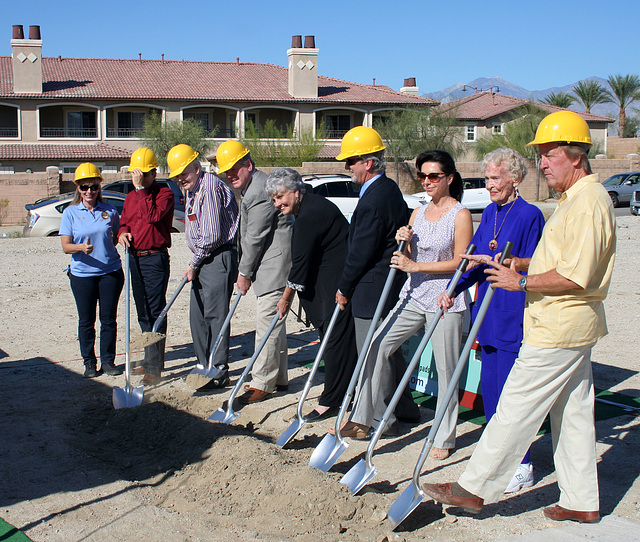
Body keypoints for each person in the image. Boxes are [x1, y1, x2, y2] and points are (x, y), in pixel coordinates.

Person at [422, 111, 616, 524]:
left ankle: (474, 488)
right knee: (574, 414)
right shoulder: (576, 200)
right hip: (569, 325)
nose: (542, 164)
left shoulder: (587, 203)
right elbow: (558, 260)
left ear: (576, 156)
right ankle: (581, 499)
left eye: (549, 155)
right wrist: (518, 261)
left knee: (514, 405)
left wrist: (519, 281)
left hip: (559, 325)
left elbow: (573, 276)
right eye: (541, 156)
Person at [338, 150, 473, 456]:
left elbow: (460, 263)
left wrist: (414, 267)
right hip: (414, 295)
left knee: (446, 369)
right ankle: (365, 418)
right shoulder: (418, 212)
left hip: (445, 300)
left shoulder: (460, 214)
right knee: (376, 345)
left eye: (433, 176)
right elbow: (411, 256)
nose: (427, 182)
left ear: (449, 178)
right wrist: (405, 243)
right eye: (422, 176)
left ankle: (443, 437)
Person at [439, 148, 544, 490]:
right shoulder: (490, 212)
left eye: (496, 178)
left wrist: (501, 260)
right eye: (487, 178)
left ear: (515, 178)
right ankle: (497, 456)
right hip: (487, 314)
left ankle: (522, 464)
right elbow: (473, 261)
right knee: (491, 391)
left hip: (513, 310)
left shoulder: (529, 215)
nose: (490, 185)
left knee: (512, 397)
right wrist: (454, 289)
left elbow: (534, 262)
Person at [334, 126, 419, 424]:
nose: (348, 168)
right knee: (388, 350)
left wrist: (344, 286)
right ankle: (405, 408)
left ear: (368, 163)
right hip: (386, 282)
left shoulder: (373, 199)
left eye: (351, 161)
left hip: (373, 287)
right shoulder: (388, 188)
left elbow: (361, 252)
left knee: (372, 354)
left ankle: (383, 418)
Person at [266, 167, 358, 420]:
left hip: (335, 289)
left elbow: (299, 265)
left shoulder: (308, 216)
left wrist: (285, 299)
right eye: (273, 199)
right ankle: (345, 395)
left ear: (296, 192)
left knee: (334, 345)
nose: (277, 204)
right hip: (331, 284)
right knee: (335, 344)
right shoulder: (311, 206)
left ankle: (331, 401)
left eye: (281, 197)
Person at [215, 141, 293, 404]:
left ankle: (261, 383)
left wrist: (244, 273)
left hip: (274, 267)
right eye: (226, 171)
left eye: (234, 168)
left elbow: (255, 236)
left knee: (266, 326)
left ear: (248, 165)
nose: (230, 174)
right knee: (275, 324)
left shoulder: (259, 190)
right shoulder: (254, 186)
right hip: (272, 266)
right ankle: (279, 378)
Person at [167, 144, 239, 388]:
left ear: (196, 168)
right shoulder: (192, 189)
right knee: (197, 314)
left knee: (215, 315)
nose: (180, 178)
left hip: (217, 257)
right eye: (177, 175)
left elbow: (211, 235)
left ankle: (219, 369)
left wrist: (193, 263)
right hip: (202, 258)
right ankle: (202, 364)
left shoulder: (208, 187)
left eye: (184, 173)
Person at [60, 163, 124, 378]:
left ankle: (108, 361)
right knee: (86, 321)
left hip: (110, 273)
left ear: (99, 187)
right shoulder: (70, 213)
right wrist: (81, 248)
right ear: (78, 188)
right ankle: (89, 363)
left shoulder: (110, 211)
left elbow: (116, 235)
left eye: (94, 186)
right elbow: (65, 246)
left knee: (108, 320)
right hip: (82, 276)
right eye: (84, 187)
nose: (89, 191)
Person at [118, 148, 174, 386]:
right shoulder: (131, 197)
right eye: (136, 175)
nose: (138, 179)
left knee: (155, 311)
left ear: (154, 172)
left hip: (154, 258)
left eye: (144, 175)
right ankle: (151, 359)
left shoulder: (164, 194)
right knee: (142, 312)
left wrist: (141, 190)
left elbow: (152, 217)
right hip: (135, 257)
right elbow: (123, 222)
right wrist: (122, 233)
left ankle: (154, 367)